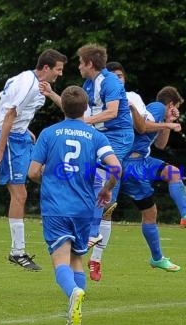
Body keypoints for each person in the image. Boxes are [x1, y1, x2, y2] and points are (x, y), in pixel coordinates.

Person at [84, 62, 186, 281]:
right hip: (127, 164)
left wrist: (168, 122)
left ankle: (160, 250)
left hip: (139, 163)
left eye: (121, 76)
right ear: (172, 103)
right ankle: (95, 256)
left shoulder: (136, 101)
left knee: (149, 208)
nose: (118, 80)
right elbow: (142, 128)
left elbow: (160, 144)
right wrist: (166, 123)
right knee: (105, 209)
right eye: (114, 76)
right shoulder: (153, 106)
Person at [27, 85, 122, 325]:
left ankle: (73, 294)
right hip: (83, 209)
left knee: (60, 261)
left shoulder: (49, 133)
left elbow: (33, 172)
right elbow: (116, 168)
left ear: (64, 107)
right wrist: (107, 188)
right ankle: (75, 315)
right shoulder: (95, 136)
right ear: (86, 107)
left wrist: (46, 177)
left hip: (56, 207)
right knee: (76, 259)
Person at [40, 45, 134, 281]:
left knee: (100, 174)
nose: (78, 66)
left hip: (119, 135)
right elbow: (74, 108)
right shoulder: (89, 85)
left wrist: (86, 121)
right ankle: (100, 212)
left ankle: (94, 229)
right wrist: (52, 94)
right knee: (88, 175)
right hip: (99, 133)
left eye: (81, 62)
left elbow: (112, 112)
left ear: (90, 63)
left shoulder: (109, 81)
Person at [0, 48, 67, 271]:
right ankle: (17, 252)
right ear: (47, 68)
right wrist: (0, 149)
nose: (60, 74)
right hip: (8, 139)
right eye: (58, 70)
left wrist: (25, 128)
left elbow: (10, 108)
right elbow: (9, 114)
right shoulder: (27, 83)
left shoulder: (35, 83)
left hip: (19, 136)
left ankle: (63, 214)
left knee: (42, 173)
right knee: (20, 194)